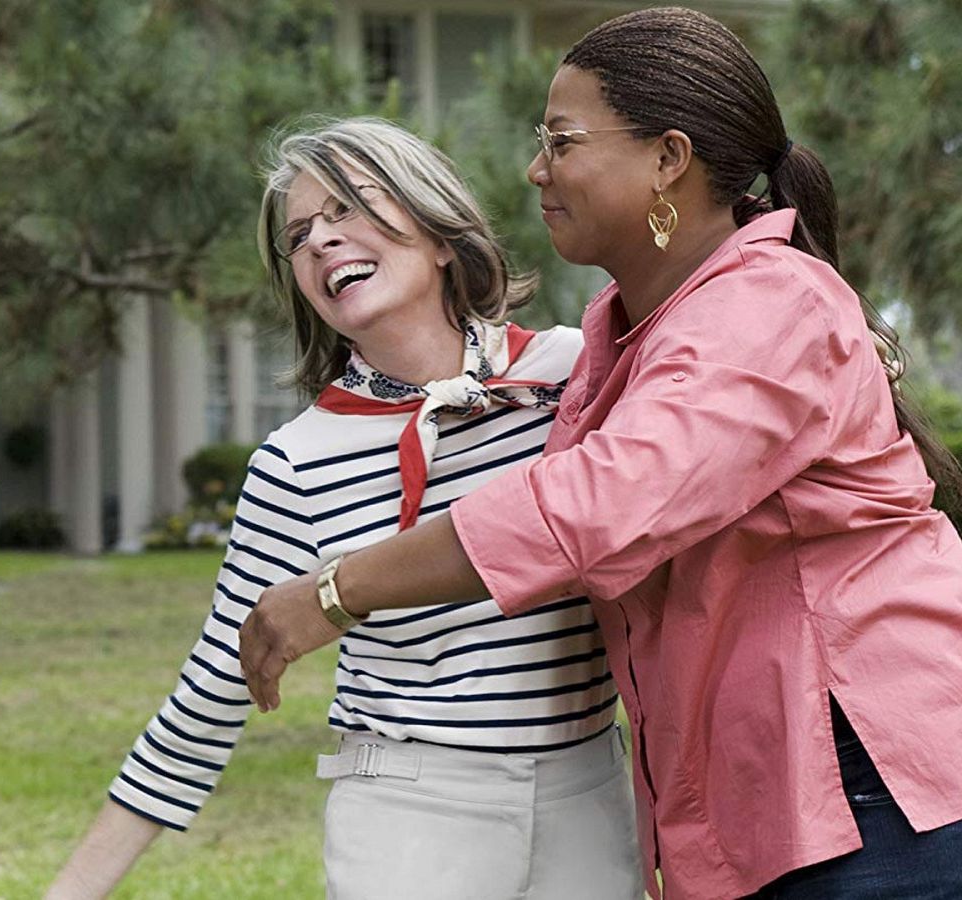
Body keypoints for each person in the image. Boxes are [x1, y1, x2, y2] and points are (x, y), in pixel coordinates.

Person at [239, 9, 962, 900]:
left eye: (562, 140)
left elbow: (591, 507)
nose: (537, 169)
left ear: (669, 158)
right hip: (770, 800)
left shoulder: (769, 306)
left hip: (876, 795)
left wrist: (336, 592)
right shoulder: (624, 336)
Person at [47, 118, 639, 900]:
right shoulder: (297, 459)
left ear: (437, 234)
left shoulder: (575, 371)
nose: (321, 240)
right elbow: (213, 690)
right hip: (411, 816)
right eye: (299, 235)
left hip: (592, 790)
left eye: (348, 207)